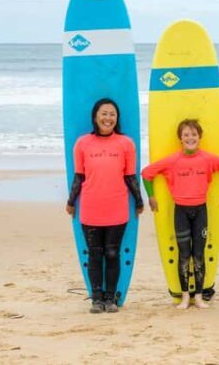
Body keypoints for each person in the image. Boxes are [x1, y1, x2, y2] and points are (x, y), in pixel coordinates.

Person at [141, 119, 219, 310]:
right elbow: (146, 173)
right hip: (181, 212)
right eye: (186, 135)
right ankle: (185, 297)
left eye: (193, 134)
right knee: (184, 255)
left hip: (201, 211)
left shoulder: (207, 159)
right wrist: (151, 197)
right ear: (180, 139)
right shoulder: (173, 160)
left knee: (199, 255)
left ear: (199, 137)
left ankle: (199, 297)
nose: (190, 138)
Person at [65, 98, 143, 314]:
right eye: (104, 113)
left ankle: (110, 299)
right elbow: (79, 176)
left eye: (112, 114)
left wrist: (138, 200)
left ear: (117, 119)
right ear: (95, 116)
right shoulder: (82, 143)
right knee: (94, 254)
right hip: (90, 207)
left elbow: (130, 177)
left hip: (117, 207)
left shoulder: (126, 143)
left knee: (112, 254)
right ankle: (96, 299)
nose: (108, 118)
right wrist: (71, 201)